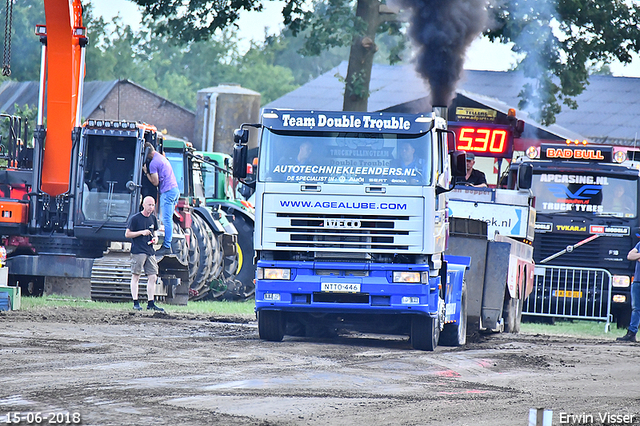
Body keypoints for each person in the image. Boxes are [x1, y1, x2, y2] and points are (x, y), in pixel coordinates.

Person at [125, 196, 165, 312]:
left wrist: (155, 239)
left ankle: (151, 302)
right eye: (149, 205)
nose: (151, 208)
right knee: (136, 275)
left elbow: (155, 233)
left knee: (153, 276)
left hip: (150, 251)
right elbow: (127, 234)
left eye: (153, 205)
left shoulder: (153, 219)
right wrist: (141, 233)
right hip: (138, 251)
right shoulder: (135, 219)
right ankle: (135, 302)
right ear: (143, 205)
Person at [142, 142, 179, 256]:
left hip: (167, 192)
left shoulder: (153, 163)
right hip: (174, 190)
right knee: (169, 220)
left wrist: (146, 171)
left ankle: (167, 246)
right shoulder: (161, 157)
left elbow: (155, 182)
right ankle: (168, 244)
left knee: (166, 219)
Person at [617, 244, 640, 342]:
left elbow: (634, 256)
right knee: (636, 308)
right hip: (637, 281)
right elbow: (630, 256)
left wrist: (637, 255)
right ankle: (631, 333)